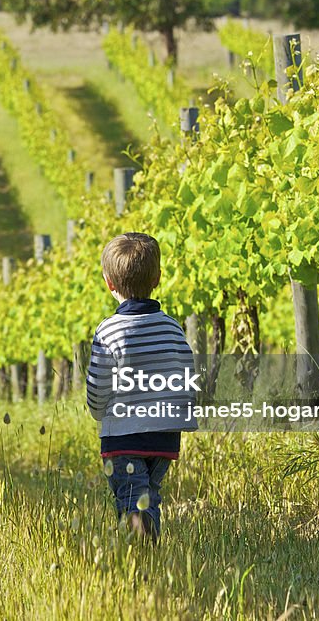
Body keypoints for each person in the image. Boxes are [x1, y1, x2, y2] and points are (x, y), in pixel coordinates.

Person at [86, 232, 197, 541]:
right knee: (150, 494)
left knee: (132, 496)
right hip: (164, 438)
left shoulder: (109, 331)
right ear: (158, 278)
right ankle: (147, 549)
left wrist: (97, 411)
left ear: (109, 283)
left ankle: (140, 548)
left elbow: (98, 384)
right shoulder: (172, 327)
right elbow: (186, 376)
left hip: (123, 434)